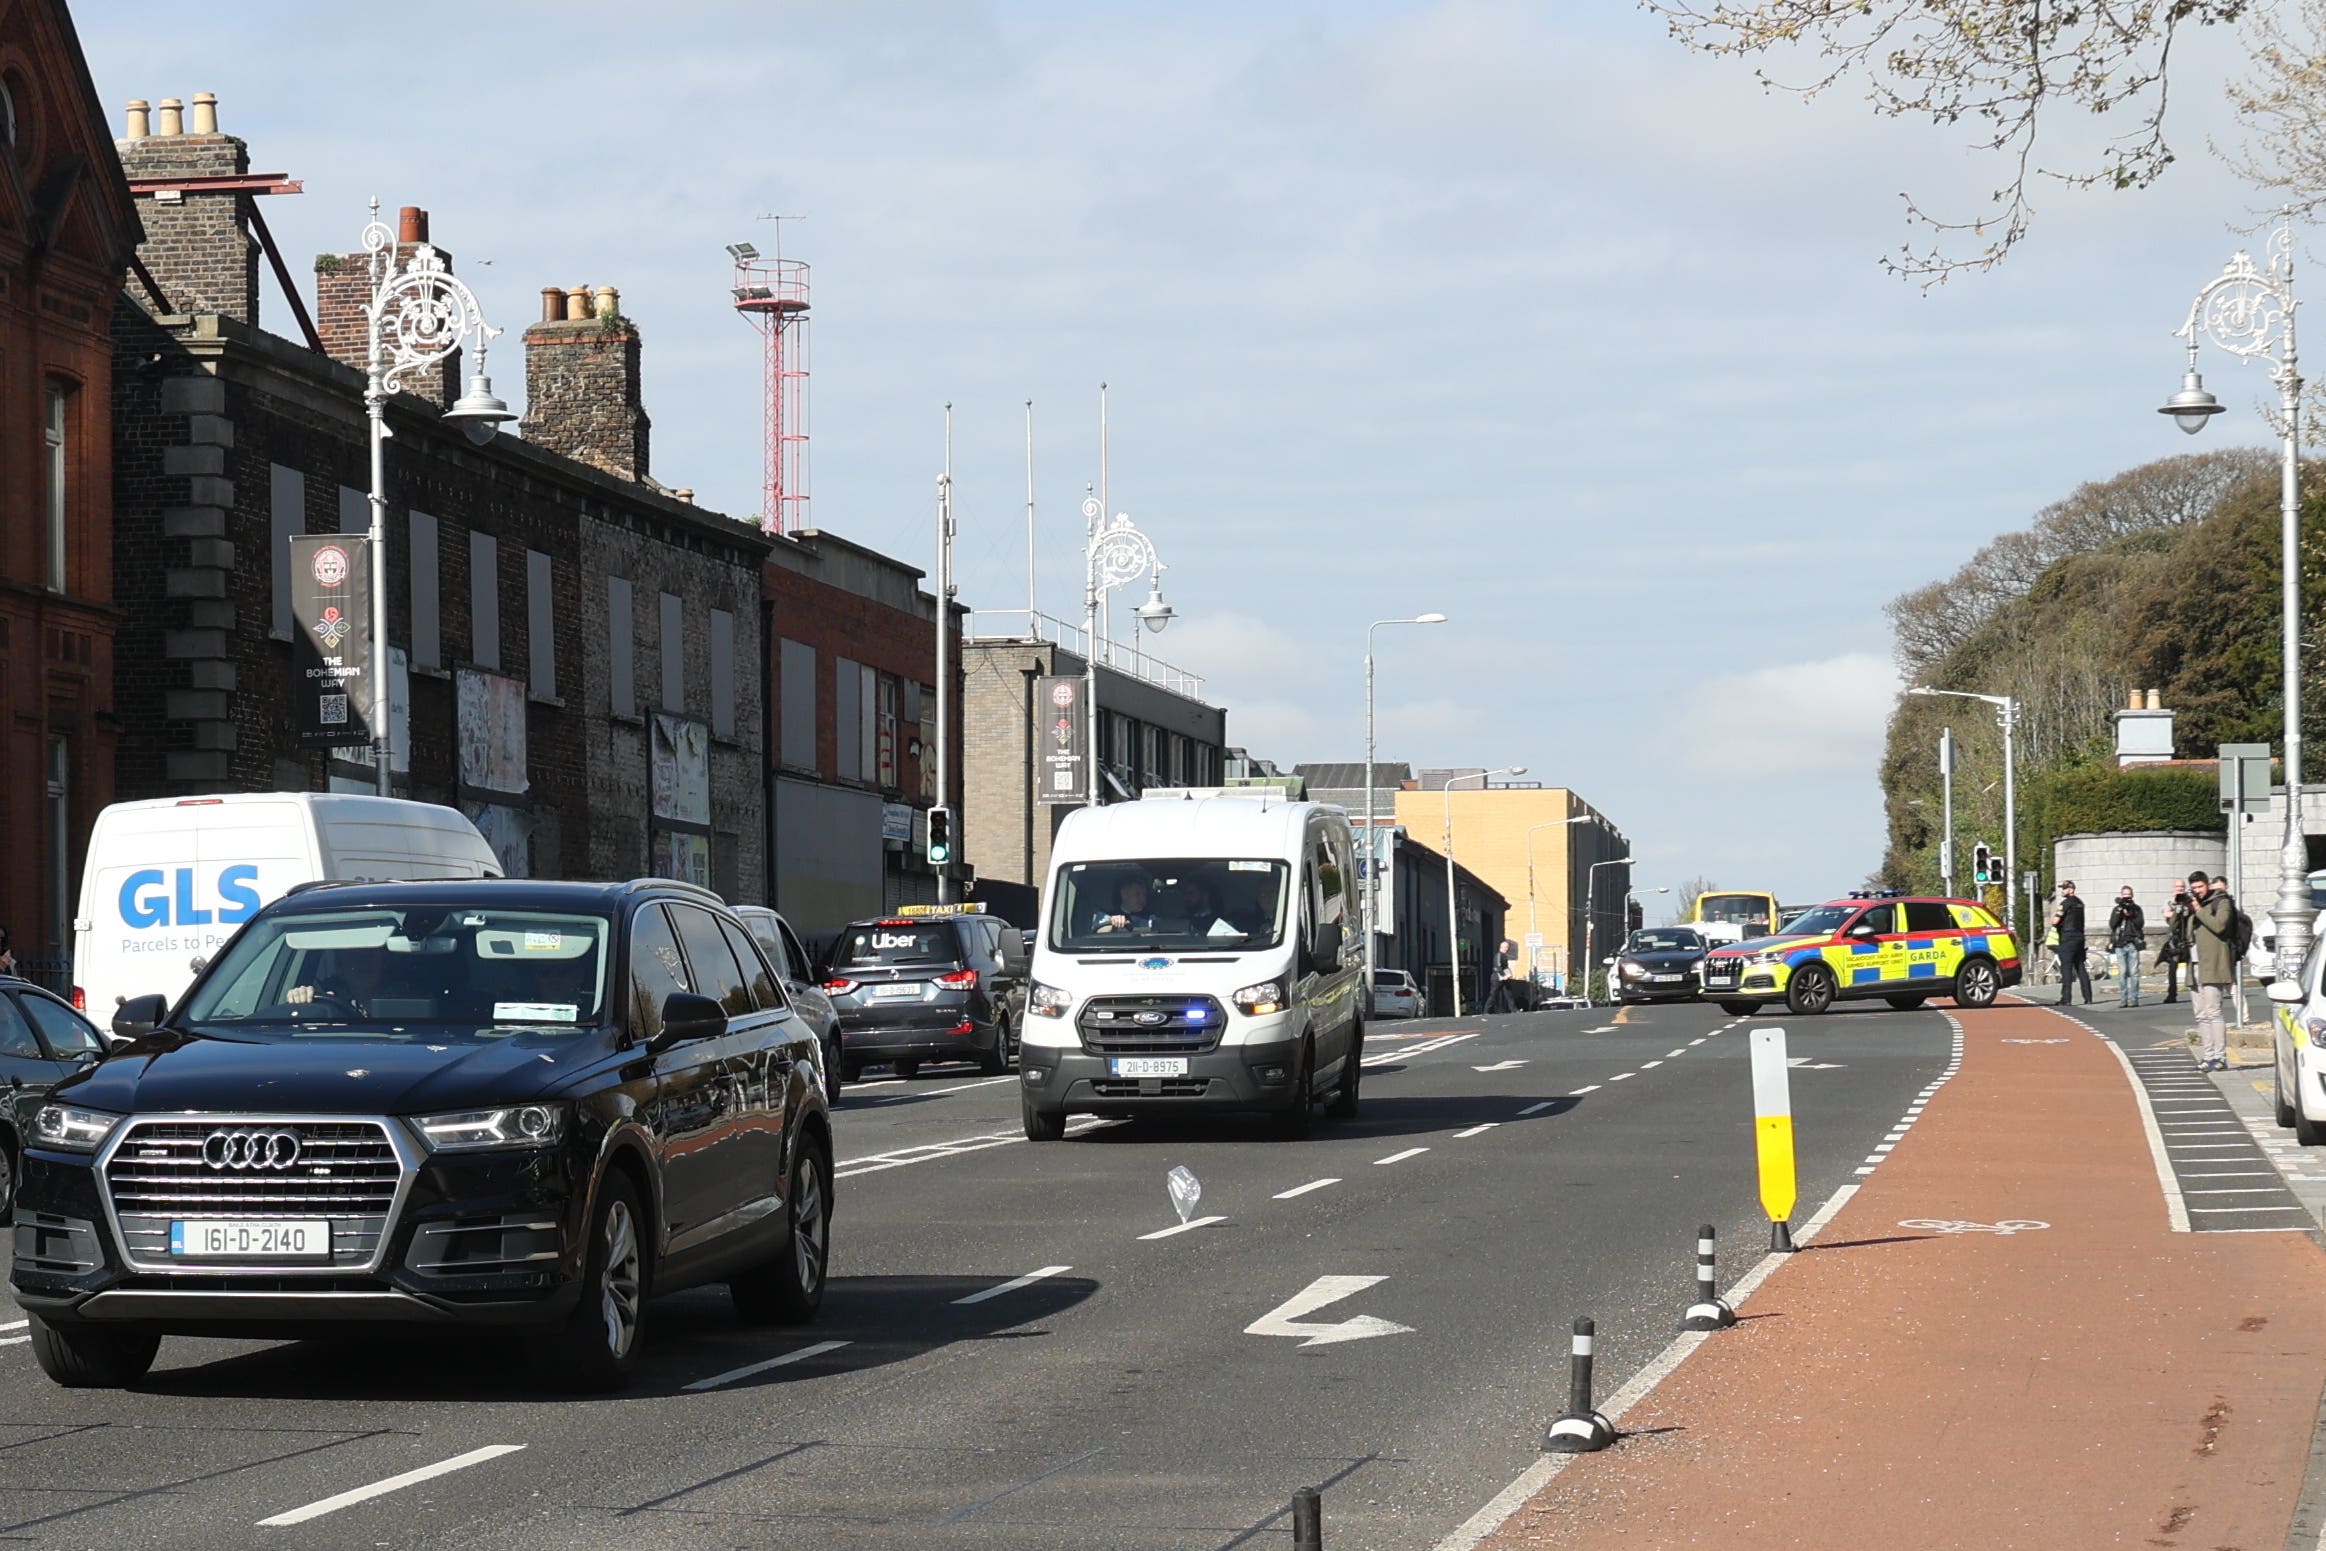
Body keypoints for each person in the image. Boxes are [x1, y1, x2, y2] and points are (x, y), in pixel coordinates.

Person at [2188, 870, 2237, 1072]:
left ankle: (2220, 1057)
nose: (2197, 891)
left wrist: (2199, 909)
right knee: (2201, 1014)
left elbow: (2219, 926)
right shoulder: (2193, 906)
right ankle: (2207, 1056)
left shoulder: (2221, 902)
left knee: (2214, 1011)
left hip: (2214, 964)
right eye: (2194, 889)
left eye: (2200, 887)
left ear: (2207, 885)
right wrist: (2180, 911)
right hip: (2195, 964)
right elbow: (2182, 931)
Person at [2051, 880, 2091, 1006]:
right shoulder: (2080, 903)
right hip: (2080, 937)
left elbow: (2055, 921)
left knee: (2066, 968)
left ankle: (2066, 998)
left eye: (2064, 888)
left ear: (2071, 889)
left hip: (2068, 938)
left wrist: (2056, 921)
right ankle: (2088, 997)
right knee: (2080, 967)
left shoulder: (2065, 903)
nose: (2062, 890)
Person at [2108, 886, 2147, 1008]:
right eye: (2124, 895)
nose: (2127, 897)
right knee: (2123, 972)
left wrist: (2131, 915)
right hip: (2120, 944)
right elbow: (2112, 924)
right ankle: (2123, 999)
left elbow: (2140, 924)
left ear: (2132, 896)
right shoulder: (2117, 909)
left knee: (2134, 972)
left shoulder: (2137, 909)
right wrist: (2120, 913)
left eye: (2129, 895)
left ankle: (2134, 999)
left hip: (2133, 943)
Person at [2159, 879, 2193, 1004]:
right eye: (2178, 887)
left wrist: (2187, 904)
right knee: (2173, 968)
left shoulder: (2188, 901)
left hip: (2188, 938)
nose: (2180, 889)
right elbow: (2166, 914)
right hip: (2175, 939)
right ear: (2173, 888)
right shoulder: (2169, 902)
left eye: (2182, 887)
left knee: (2193, 965)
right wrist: (2177, 908)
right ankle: (2172, 994)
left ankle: (2195, 991)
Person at [1092, 877, 1159, 935]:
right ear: (1124, 894)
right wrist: (1112, 923)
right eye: (1137, 894)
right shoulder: (1107, 915)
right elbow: (1099, 932)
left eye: (1144, 894)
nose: (1143, 899)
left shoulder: (1152, 917)